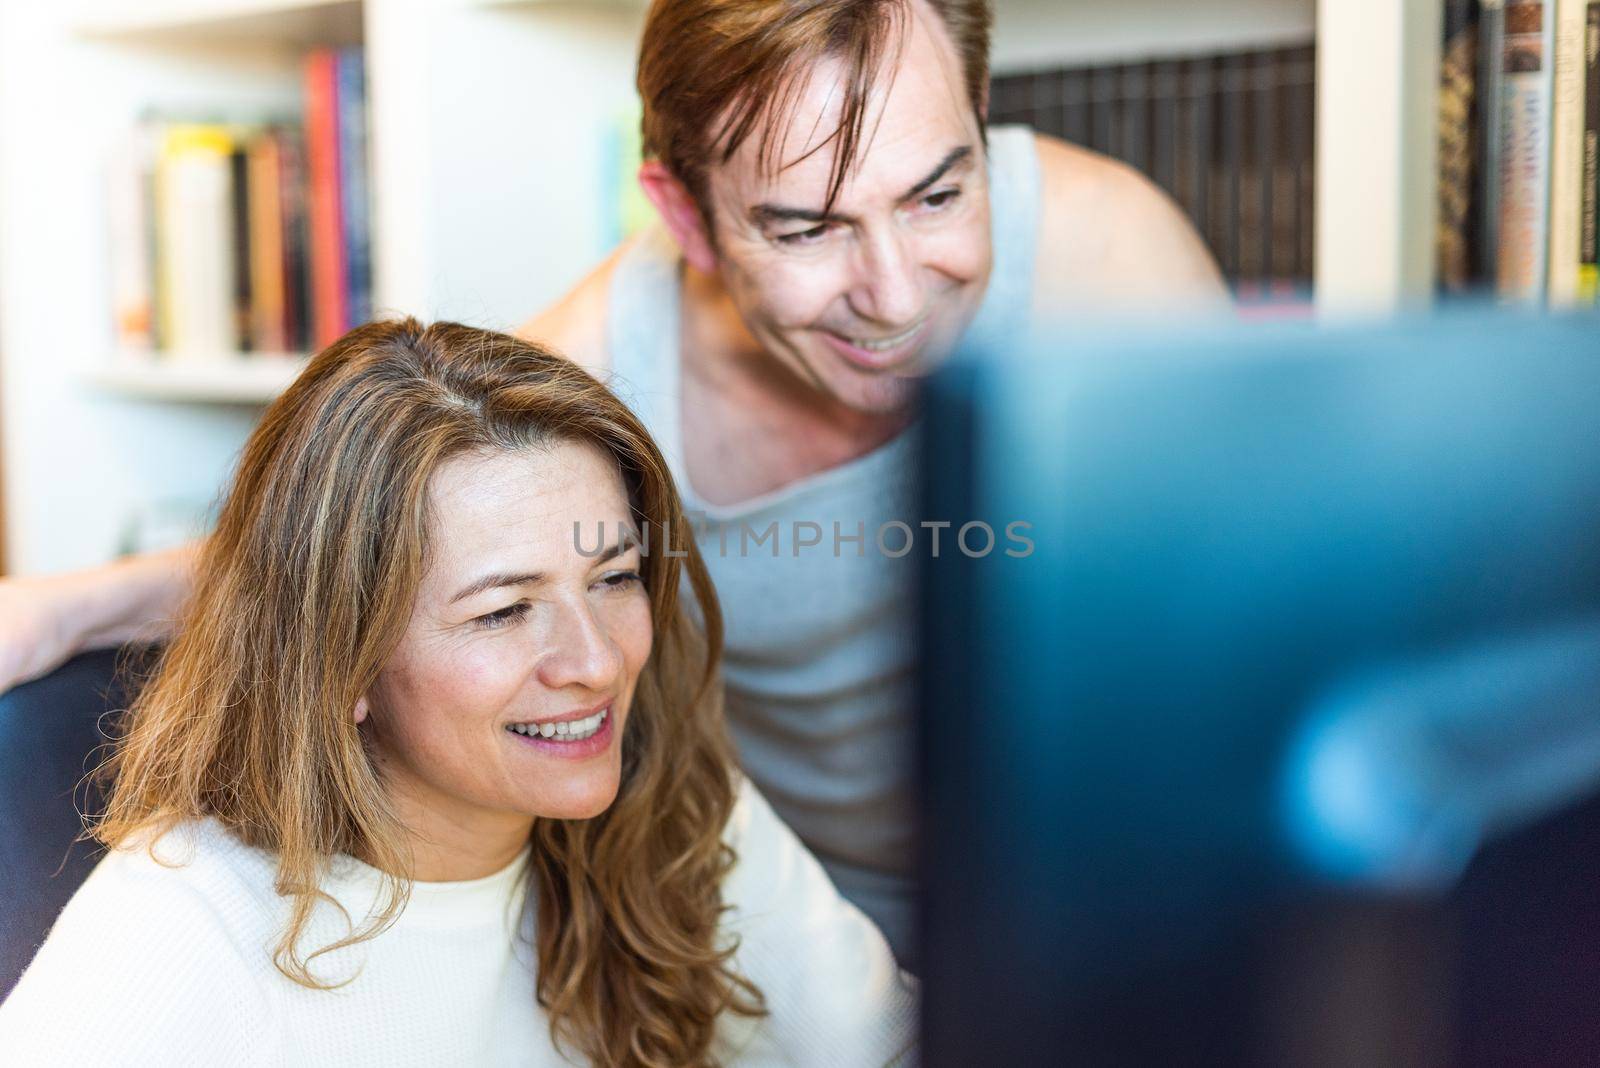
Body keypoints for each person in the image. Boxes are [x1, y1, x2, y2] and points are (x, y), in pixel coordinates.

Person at [0, 0, 1227, 967]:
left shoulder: (1109, 257)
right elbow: (342, 552)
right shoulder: (607, 371)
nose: (898, 294)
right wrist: (62, 609)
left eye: (938, 194)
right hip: (789, 919)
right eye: (806, 229)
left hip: (1129, 904)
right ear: (683, 219)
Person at [0, 320, 916, 1067]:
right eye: (505, 612)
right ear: (342, 662)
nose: (595, 663)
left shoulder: (674, 802)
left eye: (613, 578)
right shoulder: (186, 927)